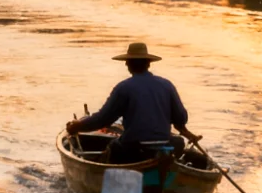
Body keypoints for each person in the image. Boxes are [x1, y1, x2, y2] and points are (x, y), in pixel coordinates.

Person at [65, 42, 197, 164]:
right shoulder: (167, 86)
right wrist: (183, 130)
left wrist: (78, 126)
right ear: (148, 64)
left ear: (128, 64)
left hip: (134, 149)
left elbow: (103, 119)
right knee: (179, 142)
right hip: (164, 145)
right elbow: (181, 118)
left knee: (114, 147)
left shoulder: (124, 88)